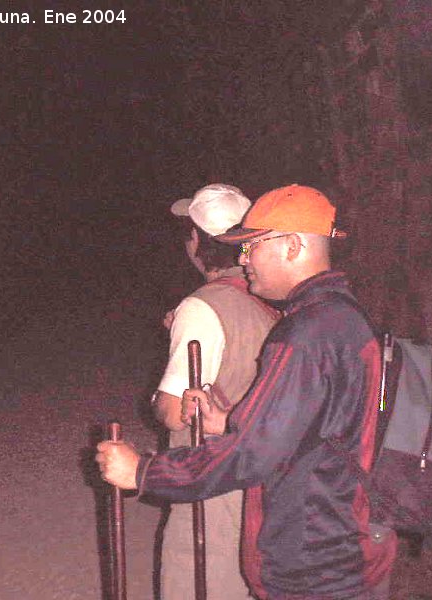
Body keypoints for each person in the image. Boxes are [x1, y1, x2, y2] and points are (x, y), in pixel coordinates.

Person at [98, 184, 397, 600]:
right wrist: (233, 422)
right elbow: (316, 428)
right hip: (345, 541)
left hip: (320, 563)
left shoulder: (306, 333)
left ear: (292, 246)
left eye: (253, 246)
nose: (243, 258)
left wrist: (142, 472)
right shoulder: (342, 316)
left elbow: (253, 456)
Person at [154, 184, 279, 600]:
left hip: (211, 471)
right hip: (262, 463)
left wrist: (158, 401)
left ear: (195, 242)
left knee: (197, 581)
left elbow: (175, 413)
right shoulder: (273, 298)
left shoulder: (202, 307)